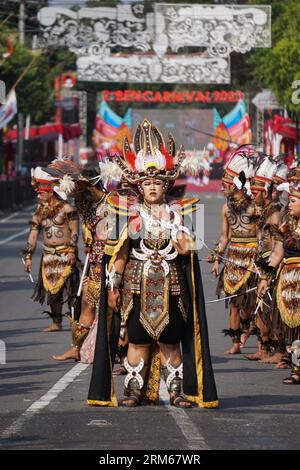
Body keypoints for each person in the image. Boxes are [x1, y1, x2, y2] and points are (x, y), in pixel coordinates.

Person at [88, 119, 219, 408]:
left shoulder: (180, 213)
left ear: (166, 185)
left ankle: (176, 392)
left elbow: (188, 251)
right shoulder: (128, 214)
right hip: (136, 286)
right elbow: (119, 255)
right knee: (137, 340)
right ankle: (133, 391)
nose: (152, 188)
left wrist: (178, 230)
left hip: (172, 287)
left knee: (171, 341)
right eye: (147, 183)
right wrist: (113, 287)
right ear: (139, 186)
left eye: (157, 183)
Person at [211, 147, 258, 354]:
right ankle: (236, 343)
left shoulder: (254, 208)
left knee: (250, 302)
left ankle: (255, 337)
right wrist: (216, 258)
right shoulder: (225, 208)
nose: (222, 189)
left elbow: (262, 237)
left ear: (236, 185)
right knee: (234, 304)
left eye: (226, 185)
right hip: (232, 259)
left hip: (251, 258)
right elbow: (224, 237)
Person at [23, 166, 80, 332]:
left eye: (41, 193)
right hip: (48, 256)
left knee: (71, 290)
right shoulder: (39, 213)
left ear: (50, 192)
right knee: (52, 291)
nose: (38, 195)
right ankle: (56, 322)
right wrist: (28, 256)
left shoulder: (67, 209)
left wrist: (71, 250)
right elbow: (33, 235)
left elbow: (75, 231)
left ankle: (75, 320)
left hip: (65, 254)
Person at [258, 179, 300, 383]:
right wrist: (265, 277)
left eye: (293, 201)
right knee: (292, 327)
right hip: (288, 281)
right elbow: (277, 253)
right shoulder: (286, 224)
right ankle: (296, 369)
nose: (289, 204)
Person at [245, 157, 280, 362]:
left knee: (271, 309)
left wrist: (268, 271)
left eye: (256, 192)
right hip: (261, 264)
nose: (252, 195)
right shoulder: (263, 210)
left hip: (270, 266)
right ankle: (263, 348)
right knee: (261, 309)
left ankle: (278, 352)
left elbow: (277, 245)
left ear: (265, 192)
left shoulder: (275, 214)